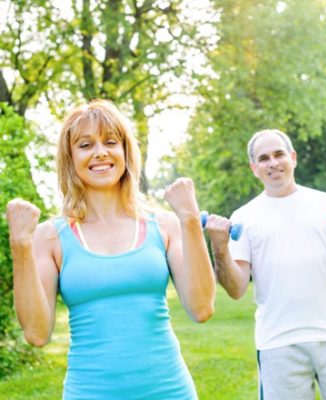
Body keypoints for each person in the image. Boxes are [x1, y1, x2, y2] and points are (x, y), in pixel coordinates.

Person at [6, 99, 215, 400]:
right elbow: (37, 334)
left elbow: (202, 308)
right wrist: (21, 247)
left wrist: (191, 221)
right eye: (85, 144)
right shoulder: (50, 237)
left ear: (125, 152)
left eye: (111, 142)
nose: (100, 152)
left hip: (169, 390)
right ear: (70, 158)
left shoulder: (165, 226)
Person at [205, 129, 326, 400]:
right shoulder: (244, 218)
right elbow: (236, 289)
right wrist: (219, 245)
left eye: (279, 154)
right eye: (263, 158)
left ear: (293, 158)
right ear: (254, 168)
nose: (273, 163)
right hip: (277, 344)